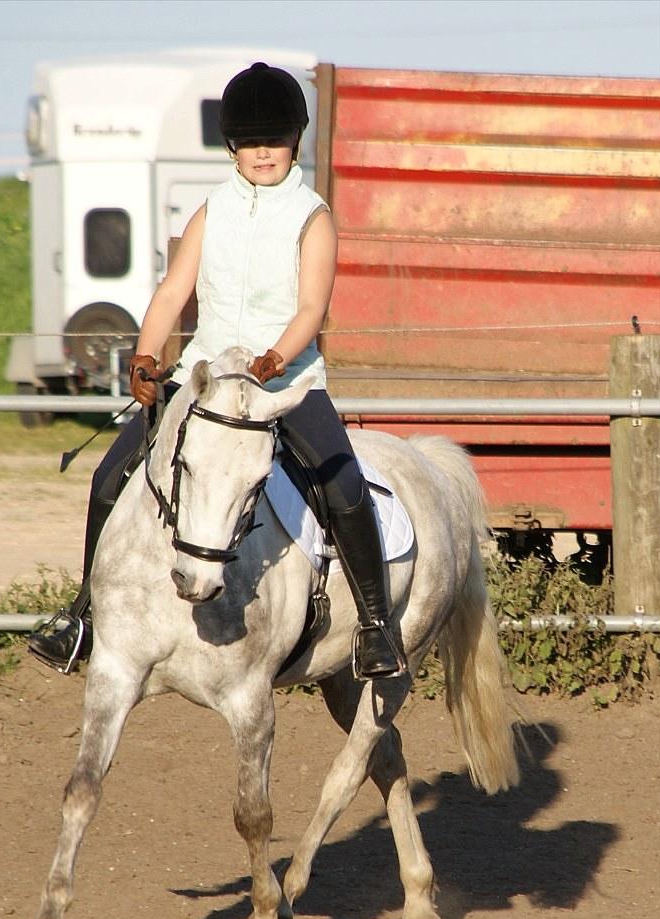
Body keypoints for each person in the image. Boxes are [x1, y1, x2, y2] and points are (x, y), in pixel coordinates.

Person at [28, 61, 405, 681]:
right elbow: (175, 290)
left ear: (295, 141)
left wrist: (277, 358)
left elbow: (311, 307)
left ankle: (375, 626)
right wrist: (147, 355)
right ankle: (85, 616)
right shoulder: (211, 212)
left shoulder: (312, 217)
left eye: (275, 141)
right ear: (233, 144)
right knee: (108, 474)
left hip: (284, 382)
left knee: (343, 485)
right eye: (252, 142)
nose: (263, 153)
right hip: (202, 376)